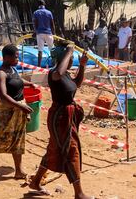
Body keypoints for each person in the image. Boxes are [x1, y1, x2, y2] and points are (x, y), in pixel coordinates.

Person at [29, 41, 93, 199]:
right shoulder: (54, 73)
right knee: (72, 149)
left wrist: (83, 66)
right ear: (63, 57)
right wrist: (69, 51)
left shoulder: (66, 74)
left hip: (67, 117)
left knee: (54, 148)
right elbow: (58, 72)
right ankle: (79, 193)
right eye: (70, 58)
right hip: (60, 118)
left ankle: (36, 181)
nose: (72, 60)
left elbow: (75, 84)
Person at [0, 44, 35, 180]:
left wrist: (29, 84)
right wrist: (20, 107)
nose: (18, 59)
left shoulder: (12, 69)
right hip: (7, 110)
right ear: (7, 57)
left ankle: (18, 171)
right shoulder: (0, 73)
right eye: (16, 57)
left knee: (18, 139)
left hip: (18, 109)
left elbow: (17, 81)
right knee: (2, 140)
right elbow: (3, 95)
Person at [33, 0, 55, 67]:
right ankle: (54, 64)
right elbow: (52, 23)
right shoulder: (49, 12)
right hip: (48, 32)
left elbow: (35, 24)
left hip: (40, 33)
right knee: (52, 49)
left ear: (38, 5)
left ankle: (39, 66)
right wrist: (53, 32)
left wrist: (35, 32)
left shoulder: (36, 13)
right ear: (44, 4)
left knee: (40, 50)